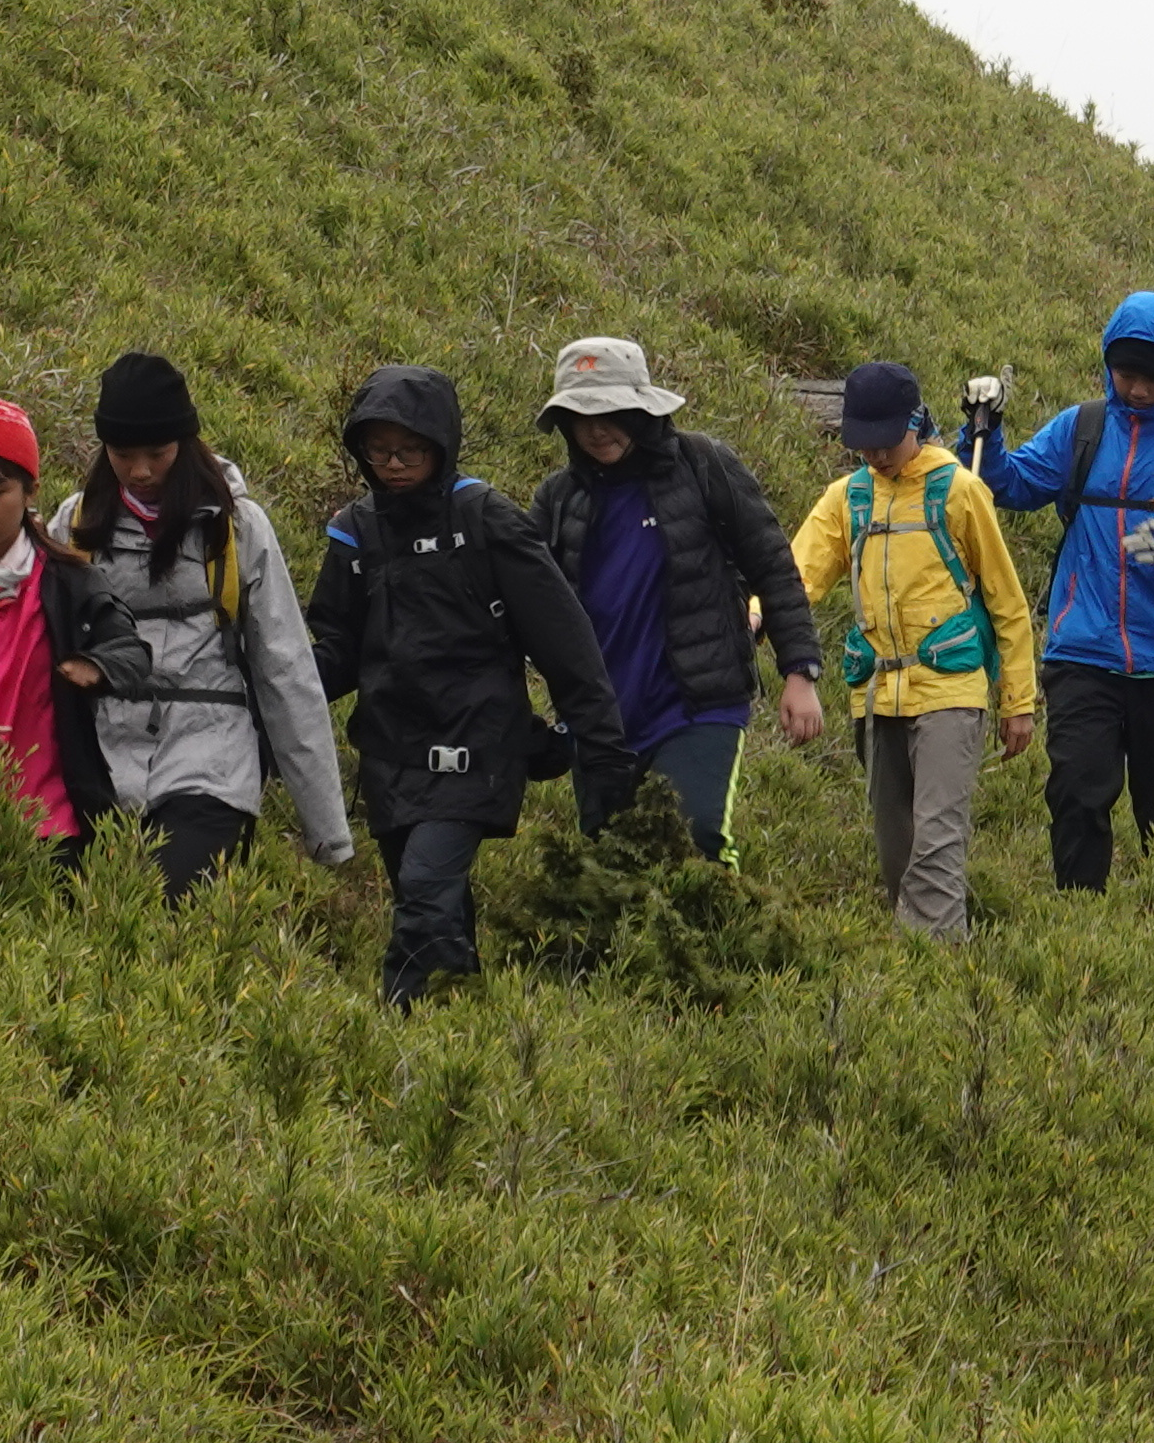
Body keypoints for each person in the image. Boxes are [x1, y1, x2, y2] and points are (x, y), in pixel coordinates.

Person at [311, 365, 627, 1004]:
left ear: (442, 445)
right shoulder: (356, 529)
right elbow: (334, 649)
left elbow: (567, 646)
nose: (394, 464)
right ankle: (457, 1022)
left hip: (476, 747)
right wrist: (273, 695)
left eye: (411, 450)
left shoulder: (488, 520)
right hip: (390, 751)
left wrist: (600, 746)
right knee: (428, 896)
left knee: (427, 886)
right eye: (378, 451)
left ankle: (397, 1019)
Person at [51, 352, 357, 897]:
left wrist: (327, 831)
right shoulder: (73, 526)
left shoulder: (238, 528)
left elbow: (286, 671)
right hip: (100, 765)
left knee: (173, 907)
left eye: (157, 453)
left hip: (212, 762)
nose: (140, 471)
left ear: (186, 444)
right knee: (88, 924)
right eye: (122, 455)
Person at [966, 290, 1154, 889]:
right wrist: (982, 429)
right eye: (1126, 374)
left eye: (1152, 377)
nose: (1138, 389)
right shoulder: (1082, 428)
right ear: (1108, 363)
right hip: (1081, 650)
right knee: (1076, 792)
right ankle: (1078, 911)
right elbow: (1009, 486)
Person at [526, 336, 824, 857]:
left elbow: (773, 567)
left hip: (697, 704)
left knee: (699, 836)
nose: (597, 429)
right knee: (610, 862)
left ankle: (725, 936)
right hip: (601, 721)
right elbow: (523, 609)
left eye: (612, 412)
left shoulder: (703, 466)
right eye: (581, 415)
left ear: (641, 408)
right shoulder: (557, 500)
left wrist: (799, 672)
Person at [788, 362, 1041, 940]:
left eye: (885, 441)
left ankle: (935, 969)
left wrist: (1017, 702)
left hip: (951, 689)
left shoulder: (960, 490)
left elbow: (1007, 602)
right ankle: (916, 957)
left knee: (937, 835)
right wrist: (756, 612)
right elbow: (797, 575)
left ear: (915, 423)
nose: (875, 455)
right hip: (875, 694)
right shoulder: (845, 499)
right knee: (895, 845)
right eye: (863, 443)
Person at [0, 399, 149, 865]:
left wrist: (97, 667)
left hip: (50, 833)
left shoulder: (69, 582)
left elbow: (133, 652)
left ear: (31, 490)